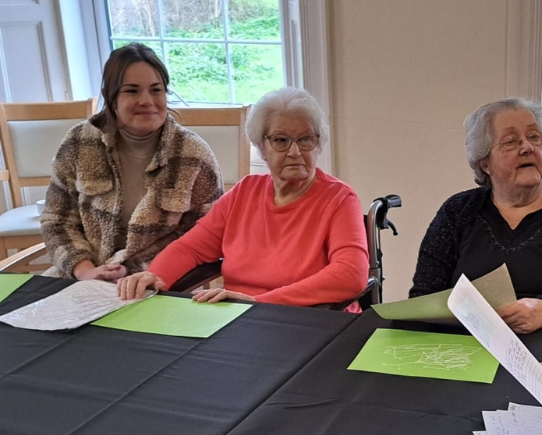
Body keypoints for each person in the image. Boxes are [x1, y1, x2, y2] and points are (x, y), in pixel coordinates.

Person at [118, 87, 368, 308]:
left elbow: (351, 274)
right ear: (261, 147)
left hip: (308, 319)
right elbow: (191, 247)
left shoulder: (339, 198)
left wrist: (259, 303)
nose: (294, 151)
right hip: (239, 318)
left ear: (319, 145)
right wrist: (156, 275)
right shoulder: (244, 192)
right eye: (280, 140)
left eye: (306, 140)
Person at [410, 98, 542, 333]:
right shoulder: (456, 212)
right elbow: (424, 295)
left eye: (534, 137)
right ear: (485, 164)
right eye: (511, 141)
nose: (527, 148)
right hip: (471, 349)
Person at [41, 43, 222, 280]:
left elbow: (202, 236)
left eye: (156, 90)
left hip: (156, 279)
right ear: (111, 97)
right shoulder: (79, 142)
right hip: (80, 275)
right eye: (132, 91)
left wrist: (132, 268)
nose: (147, 100)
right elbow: (57, 220)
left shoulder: (193, 154)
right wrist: (85, 271)